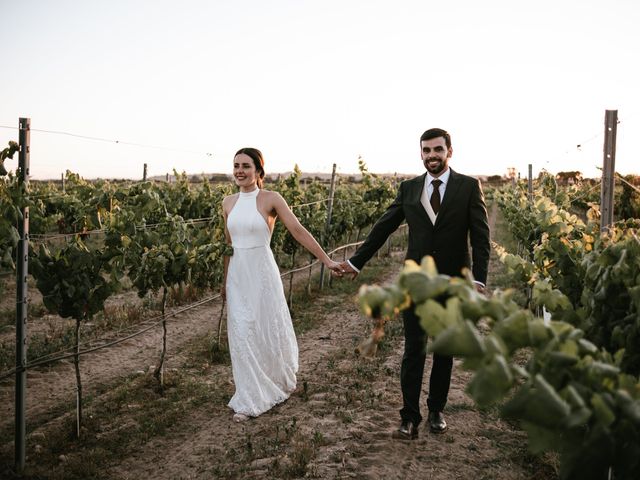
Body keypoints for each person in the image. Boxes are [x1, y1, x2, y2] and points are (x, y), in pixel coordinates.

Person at [337, 128, 490, 439]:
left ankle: (436, 409)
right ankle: (409, 416)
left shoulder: (468, 187)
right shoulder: (409, 188)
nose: (432, 155)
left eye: (437, 149)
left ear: (450, 151)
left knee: (444, 350)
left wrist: (478, 279)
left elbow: (481, 236)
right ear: (421, 153)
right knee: (413, 349)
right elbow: (383, 227)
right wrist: (356, 261)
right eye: (426, 150)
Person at [221, 147, 343, 423]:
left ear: (258, 171)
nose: (240, 170)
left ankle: (274, 381)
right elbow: (227, 246)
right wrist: (225, 280)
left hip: (262, 271)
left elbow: (298, 230)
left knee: (265, 328)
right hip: (239, 275)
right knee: (242, 333)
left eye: (246, 166)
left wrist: (326, 260)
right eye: (236, 165)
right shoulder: (227, 202)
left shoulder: (271, 199)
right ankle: (250, 395)